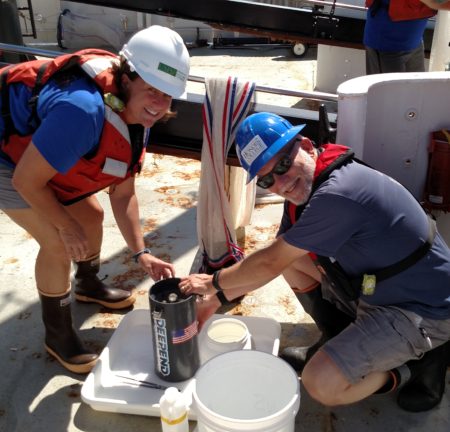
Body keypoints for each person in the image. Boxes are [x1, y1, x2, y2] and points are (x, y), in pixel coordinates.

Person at [180, 112, 450, 412]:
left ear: (307, 146)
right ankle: (338, 338)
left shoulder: (340, 192)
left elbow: (269, 262)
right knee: (291, 262)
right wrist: (216, 299)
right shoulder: (304, 193)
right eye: (267, 179)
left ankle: (414, 367)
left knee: (321, 383)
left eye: (283, 164)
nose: (281, 182)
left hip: (424, 308)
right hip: (374, 288)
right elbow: (277, 259)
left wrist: (213, 281)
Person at [0, 25, 190, 374]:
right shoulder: (82, 111)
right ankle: (57, 335)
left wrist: (141, 253)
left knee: (90, 216)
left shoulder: (136, 110)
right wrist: (63, 225)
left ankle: (87, 284)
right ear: (127, 77)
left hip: (39, 151)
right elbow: (26, 181)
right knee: (59, 241)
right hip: (8, 159)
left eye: (168, 95)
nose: (160, 105)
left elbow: (124, 193)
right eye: (152, 90)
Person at [364, 0, 450, 74]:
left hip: (414, 41)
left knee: (417, 89)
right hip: (388, 44)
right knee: (390, 91)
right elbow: (434, 2)